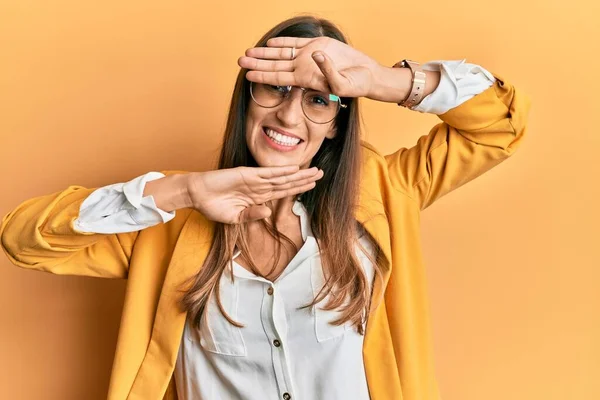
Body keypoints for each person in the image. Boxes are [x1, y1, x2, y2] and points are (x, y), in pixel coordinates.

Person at [0, 14, 531, 400]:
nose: (289, 116)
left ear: (337, 123)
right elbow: (24, 238)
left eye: (318, 98)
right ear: (244, 99)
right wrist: (180, 193)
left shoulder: (386, 190)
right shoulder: (174, 216)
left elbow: (500, 126)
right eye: (273, 90)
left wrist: (379, 81)